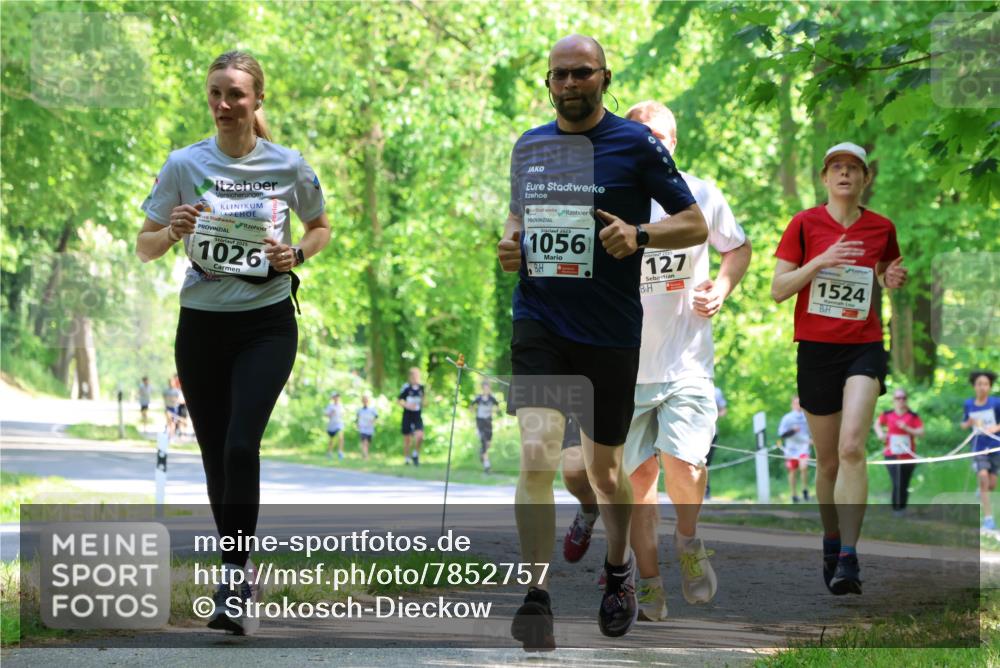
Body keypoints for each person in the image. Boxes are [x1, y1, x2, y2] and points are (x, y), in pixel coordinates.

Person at [497, 35, 707, 648]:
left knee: (607, 474)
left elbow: (691, 222)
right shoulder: (530, 146)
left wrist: (640, 235)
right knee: (536, 454)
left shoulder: (636, 144)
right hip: (539, 315)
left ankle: (617, 570)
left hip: (610, 330)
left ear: (604, 77)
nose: (567, 85)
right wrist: (511, 241)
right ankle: (536, 595)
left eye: (580, 73)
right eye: (557, 76)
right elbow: (518, 215)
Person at [135, 50, 330, 635]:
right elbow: (144, 246)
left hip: (267, 323)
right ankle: (238, 573)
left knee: (242, 445)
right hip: (200, 325)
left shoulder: (288, 166)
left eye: (236, 94)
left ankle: (234, 572)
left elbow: (320, 227)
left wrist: (296, 254)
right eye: (216, 93)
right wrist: (173, 230)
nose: (224, 104)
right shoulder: (183, 164)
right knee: (217, 456)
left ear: (257, 101)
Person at [560, 100, 750, 622]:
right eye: (642, 134)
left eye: (662, 136)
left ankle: (688, 541)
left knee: (685, 464)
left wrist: (724, 287)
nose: (653, 143)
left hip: (687, 362)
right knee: (637, 482)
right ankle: (647, 583)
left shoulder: (701, 194)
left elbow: (738, 248)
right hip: (623, 367)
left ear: (674, 143)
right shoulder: (606, 196)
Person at [771, 141, 908, 596]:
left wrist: (890, 279)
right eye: (837, 168)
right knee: (827, 461)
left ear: (865, 178)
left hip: (863, 347)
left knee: (852, 448)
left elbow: (886, 271)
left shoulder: (881, 228)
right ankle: (831, 540)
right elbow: (778, 289)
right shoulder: (804, 225)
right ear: (825, 178)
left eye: (854, 168)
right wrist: (819, 262)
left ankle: (849, 556)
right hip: (815, 351)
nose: (845, 174)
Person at [874, 388, 924, 515]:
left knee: (904, 482)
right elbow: (877, 424)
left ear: (906, 400)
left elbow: (921, 432)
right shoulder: (887, 414)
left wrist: (906, 428)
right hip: (891, 454)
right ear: (894, 400)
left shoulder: (913, 416)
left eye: (903, 398)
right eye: (898, 398)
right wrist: (880, 434)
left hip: (908, 455)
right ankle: (896, 509)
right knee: (897, 480)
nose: (901, 401)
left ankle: (902, 508)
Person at [962, 370, 1000, 530]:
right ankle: (988, 520)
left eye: (985, 384)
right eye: (979, 384)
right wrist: (969, 422)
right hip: (978, 449)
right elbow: (963, 425)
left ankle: (981, 490)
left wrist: (993, 429)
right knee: (984, 478)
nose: (982, 387)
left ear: (990, 387)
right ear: (974, 386)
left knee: (992, 484)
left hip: (995, 448)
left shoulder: (996, 403)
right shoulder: (969, 404)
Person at [779, 395, 813, 503]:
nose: (798, 405)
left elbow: (813, 431)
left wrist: (812, 440)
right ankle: (793, 494)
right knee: (793, 471)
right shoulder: (787, 418)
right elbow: (781, 434)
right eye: (796, 403)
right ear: (792, 405)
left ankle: (805, 489)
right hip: (791, 449)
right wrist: (793, 431)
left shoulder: (807, 417)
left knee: (804, 466)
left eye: (800, 403)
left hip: (804, 447)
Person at [471, 381, 501, 473]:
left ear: (489, 389)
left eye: (488, 388)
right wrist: (473, 412)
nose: (486, 390)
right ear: (482, 389)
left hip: (489, 423)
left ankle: (482, 453)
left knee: (488, 444)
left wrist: (495, 411)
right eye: (484, 388)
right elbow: (471, 406)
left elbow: (498, 407)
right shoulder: (479, 398)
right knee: (484, 443)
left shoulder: (492, 398)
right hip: (480, 423)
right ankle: (487, 466)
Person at [703, 385, 728, 499]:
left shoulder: (716, 391)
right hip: (690, 432)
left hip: (711, 432)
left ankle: (705, 489)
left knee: (706, 462)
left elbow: (723, 410)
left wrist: (714, 415)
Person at [398, 367, 425, 466]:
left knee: (420, 436)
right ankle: (406, 458)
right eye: (413, 375)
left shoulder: (421, 387)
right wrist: (407, 405)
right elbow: (399, 400)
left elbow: (424, 401)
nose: (415, 377)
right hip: (407, 415)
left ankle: (415, 454)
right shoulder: (406, 387)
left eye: (417, 375)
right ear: (410, 377)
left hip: (417, 415)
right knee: (407, 439)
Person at [356, 394, 378, 461]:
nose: (365, 401)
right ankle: (366, 456)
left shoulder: (372, 409)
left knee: (367, 443)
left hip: (369, 428)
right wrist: (358, 425)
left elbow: (376, 417)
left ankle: (364, 453)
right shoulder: (360, 410)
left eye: (366, 400)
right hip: (363, 428)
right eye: (364, 400)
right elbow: (357, 418)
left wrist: (372, 422)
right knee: (364, 442)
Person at [325, 392, 345, 460]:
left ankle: (340, 451)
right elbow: (326, 415)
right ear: (333, 398)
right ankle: (329, 452)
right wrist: (331, 413)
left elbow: (343, 414)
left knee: (340, 436)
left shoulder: (341, 405)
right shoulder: (330, 406)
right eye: (335, 397)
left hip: (339, 423)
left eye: (338, 396)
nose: (337, 398)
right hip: (331, 425)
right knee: (331, 440)